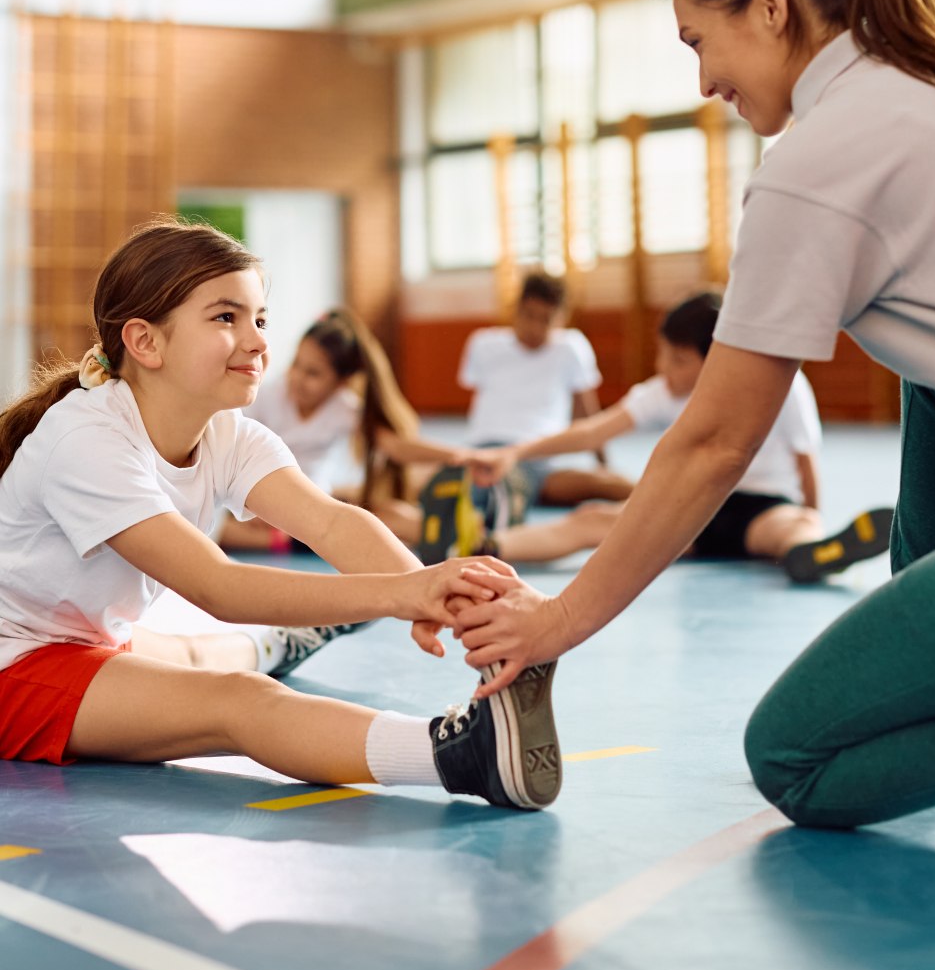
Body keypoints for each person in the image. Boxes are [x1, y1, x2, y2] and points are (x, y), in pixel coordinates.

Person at [451, 0, 935, 831]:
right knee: (929, 373)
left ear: (769, 5)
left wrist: (561, 620)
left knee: (794, 756)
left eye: (697, 42)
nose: (701, 84)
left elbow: (715, 442)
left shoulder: (818, 163)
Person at [0, 218, 560, 811]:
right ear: (145, 342)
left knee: (193, 654)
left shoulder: (227, 433)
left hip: (84, 636)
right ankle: (466, 754)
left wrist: (449, 599)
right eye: (226, 318)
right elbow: (220, 586)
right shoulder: (87, 440)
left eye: (260, 318)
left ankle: (281, 644)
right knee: (238, 702)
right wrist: (402, 595)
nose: (259, 341)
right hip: (15, 662)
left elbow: (332, 522)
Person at [426, 292, 892, 581]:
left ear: (715, 358)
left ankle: (814, 551)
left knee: (788, 528)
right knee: (592, 519)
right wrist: (515, 452)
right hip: (694, 514)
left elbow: (805, 458)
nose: (662, 369)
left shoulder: (780, 384)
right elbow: (592, 431)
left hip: (762, 506)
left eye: (676, 360)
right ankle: (487, 548)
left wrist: (811, 511)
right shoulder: (665, 391)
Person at [219, 309, 500, 551]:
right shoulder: (267, 395)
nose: (298, 378)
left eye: (313, 373)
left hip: (315, 502)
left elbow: (396, 447)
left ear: (341, 382)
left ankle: (469, 530)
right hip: (265, 503)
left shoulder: (343, 408)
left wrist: (463, 455)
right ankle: (285, 541)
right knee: (218, 528)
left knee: (386, 512)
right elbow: (230, 446)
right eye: (297, 365)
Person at [458, 269, 632, 509]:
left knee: (609, 484)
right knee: (426, 481)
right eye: (529, 315)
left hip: (539, 459)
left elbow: (587, 414)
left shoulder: (570, 347)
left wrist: (603, 464)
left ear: (561, 318)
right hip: (484, 453)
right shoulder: (484, 344)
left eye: (546, 320)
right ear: (516, 310)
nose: (535, 328)